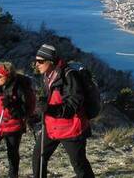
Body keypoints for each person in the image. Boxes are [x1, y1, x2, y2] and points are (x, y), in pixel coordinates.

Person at [32, 44, 94, 178]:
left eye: (40, 61)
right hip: (52, 126)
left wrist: (49, 109)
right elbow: (53, 100)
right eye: (36, 61)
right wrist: (38, 115)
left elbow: (73, 106)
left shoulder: (69, 76)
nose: (37, 64)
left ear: (51, 61)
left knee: (79, 164)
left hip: (72, 129)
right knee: (38, 156)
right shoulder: (49, 75)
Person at [0, 62, 31, 178]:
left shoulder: (19, 90)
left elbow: (24, 111)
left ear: (7, 76)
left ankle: (13, 175)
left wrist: (12, 106)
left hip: (13, 126)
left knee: (12, 154)